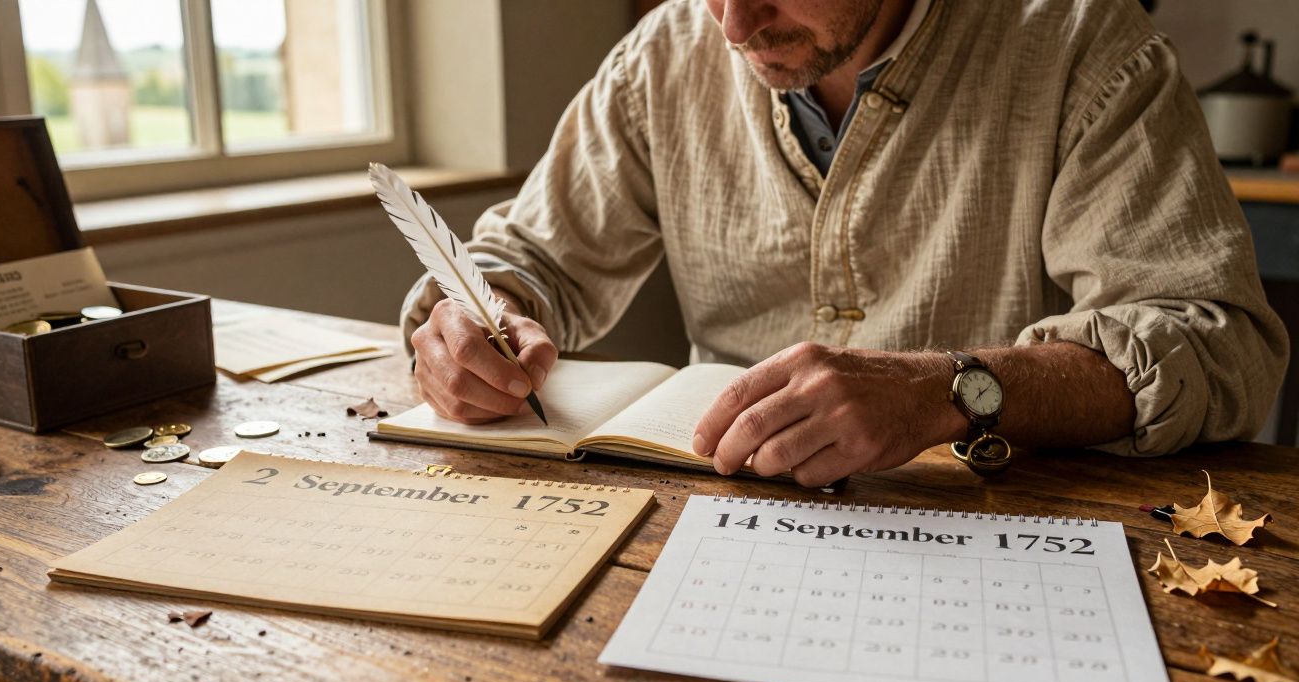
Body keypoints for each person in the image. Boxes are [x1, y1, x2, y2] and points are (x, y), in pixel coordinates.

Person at [401, 0, 1287, 486]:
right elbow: (530, 260)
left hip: (1007, 529)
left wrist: (947, 390)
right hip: (715, 517)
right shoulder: (665, 55)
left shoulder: (1082, 48)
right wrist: (473, 321)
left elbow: (1217, 346)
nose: (734, 27)